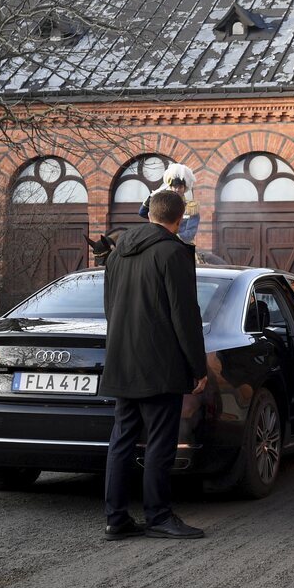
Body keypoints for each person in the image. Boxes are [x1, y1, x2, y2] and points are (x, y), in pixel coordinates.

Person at [102, 189, 208, 541]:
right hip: (159, 364)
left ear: (150, 214)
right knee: (160, 443)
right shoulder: (173, 252)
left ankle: (115, 519)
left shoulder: (116, 254)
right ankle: (159, 516)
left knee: (122, 440)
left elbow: (109, 307)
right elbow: (185, 315)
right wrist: (198, 366)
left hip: (121, 359)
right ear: (179, 219)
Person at [138, 163, 200, 244]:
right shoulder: (163, 205)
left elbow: (190, 233)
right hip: (161, 242)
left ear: (184, 188)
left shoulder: (191, 208)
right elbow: (142, 213)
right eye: (175, 186)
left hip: (182, 244)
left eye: (180, 187)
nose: (177, 189)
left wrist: (170, 238)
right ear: (170, 187)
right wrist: (152, 196)